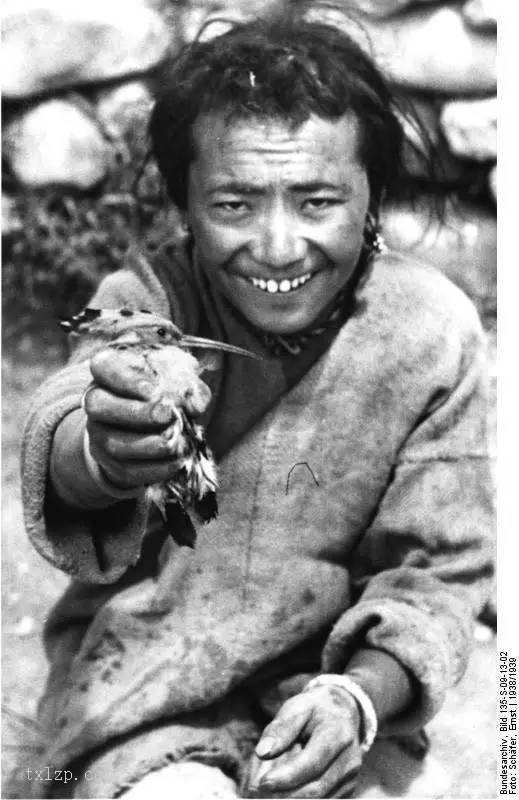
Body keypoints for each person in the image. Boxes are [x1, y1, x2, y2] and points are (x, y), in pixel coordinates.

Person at [21, 5, 494, 799]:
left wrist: (355, 698)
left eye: (317, 202)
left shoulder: (431, 334)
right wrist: (103, 451)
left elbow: (440, 572)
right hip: (143, 695)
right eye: (233, 204)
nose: (277, 247)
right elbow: (72, 419)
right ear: (184, 204)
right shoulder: (147, 302)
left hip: (331, 697)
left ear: (372, 194)